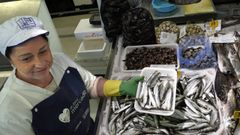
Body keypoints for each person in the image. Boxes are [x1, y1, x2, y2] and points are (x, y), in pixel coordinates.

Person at [0, 16, 143, 135]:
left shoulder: (60, 61)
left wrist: (121, 86)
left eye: (43, 51)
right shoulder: (9, 110)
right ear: (10, 60)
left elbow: (91, 85)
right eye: (26, 58)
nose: (40, 63)